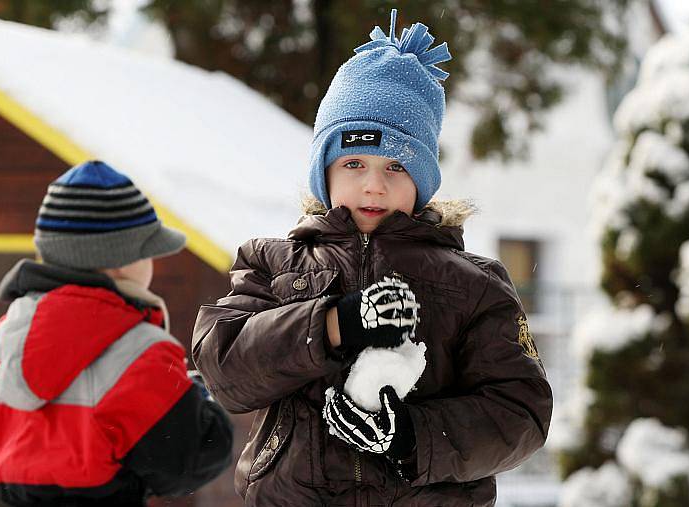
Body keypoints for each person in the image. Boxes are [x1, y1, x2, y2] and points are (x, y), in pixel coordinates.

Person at [192, 10, 552, 506]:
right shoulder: (272, 264)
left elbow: (522, 412)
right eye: (354, 162)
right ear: (326, 170)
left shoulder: (475, 285)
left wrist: (412, 438)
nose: (373, 185)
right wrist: (332, 325)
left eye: (396, 165)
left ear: (423, 178)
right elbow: (224, 369)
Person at [0, 161, 233, 506]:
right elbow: (187, 461)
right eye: (149, 253)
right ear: (120, 262)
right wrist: (199, 397)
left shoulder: (14, 331)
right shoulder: (137, 348)